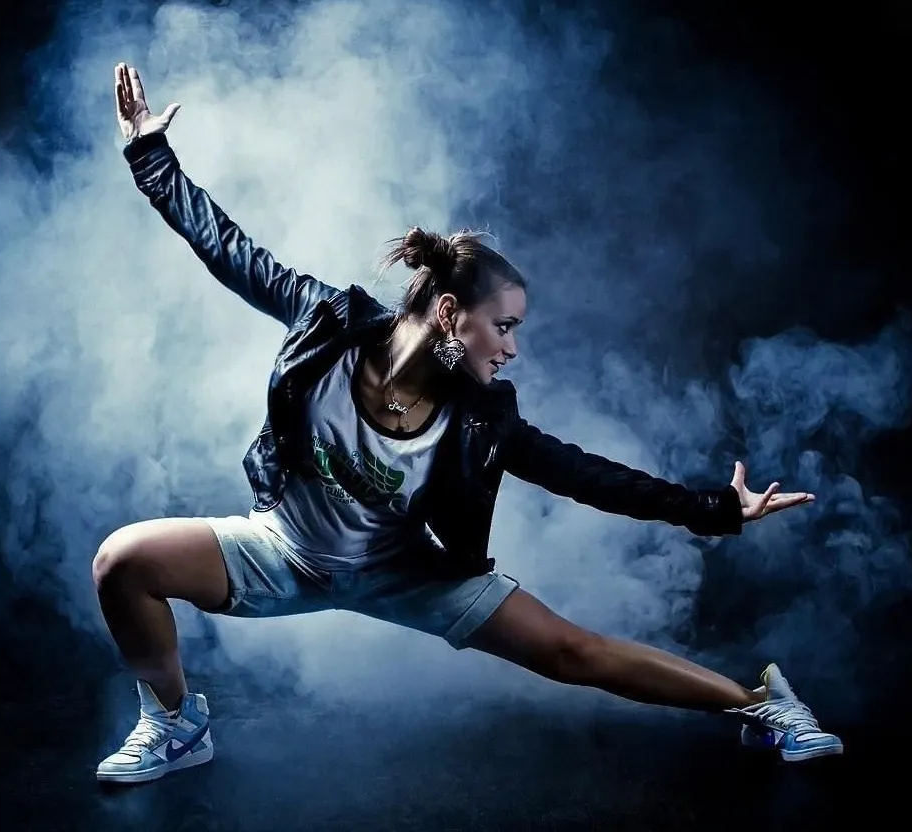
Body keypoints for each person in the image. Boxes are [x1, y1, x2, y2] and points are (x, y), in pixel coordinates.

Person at [92, 62, 843, 785]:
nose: (512, 349)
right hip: (284, 550)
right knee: (123, 561)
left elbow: (589, 476)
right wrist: (147, 152)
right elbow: (229, 251)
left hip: (407, 575)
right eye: (504, 327)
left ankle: (763, 701)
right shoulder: (328, 324)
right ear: (450, 313)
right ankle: (175, 722)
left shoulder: (482, 418)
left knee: (574, 652)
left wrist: (716, 508)